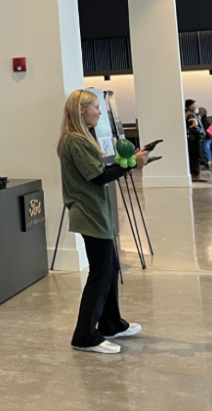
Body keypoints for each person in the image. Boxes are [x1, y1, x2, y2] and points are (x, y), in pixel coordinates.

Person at [60, 89, 149, 354]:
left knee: (110, 269)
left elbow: (99, 171)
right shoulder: (75, 140)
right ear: (81, 110)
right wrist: (131, 165)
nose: (100, 112)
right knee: (100, 273)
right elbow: (98, 177)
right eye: (96, 107)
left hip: (97, 212)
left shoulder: (82, 138)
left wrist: (128, 162)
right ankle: (84, 335)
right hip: (89, 213)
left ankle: (111, 323)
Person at [185, 100, 206, 182]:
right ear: (189, 106)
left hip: (193, 138)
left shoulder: (191, 114)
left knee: (195, 157)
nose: (196, 106)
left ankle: (195, 173)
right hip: (194, 139)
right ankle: (196, 174)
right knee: (196, 156)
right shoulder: (191, 115)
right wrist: (201, 133)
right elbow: (193, 127)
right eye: (194, 104)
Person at [199, 107, 212, 174]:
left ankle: (208, 166)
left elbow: (204, 129)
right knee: (207, 151)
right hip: (209, 137)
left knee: (206, 151)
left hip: (206, 138)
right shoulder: (206, 119)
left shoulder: (203, 120)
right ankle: (209, 165)